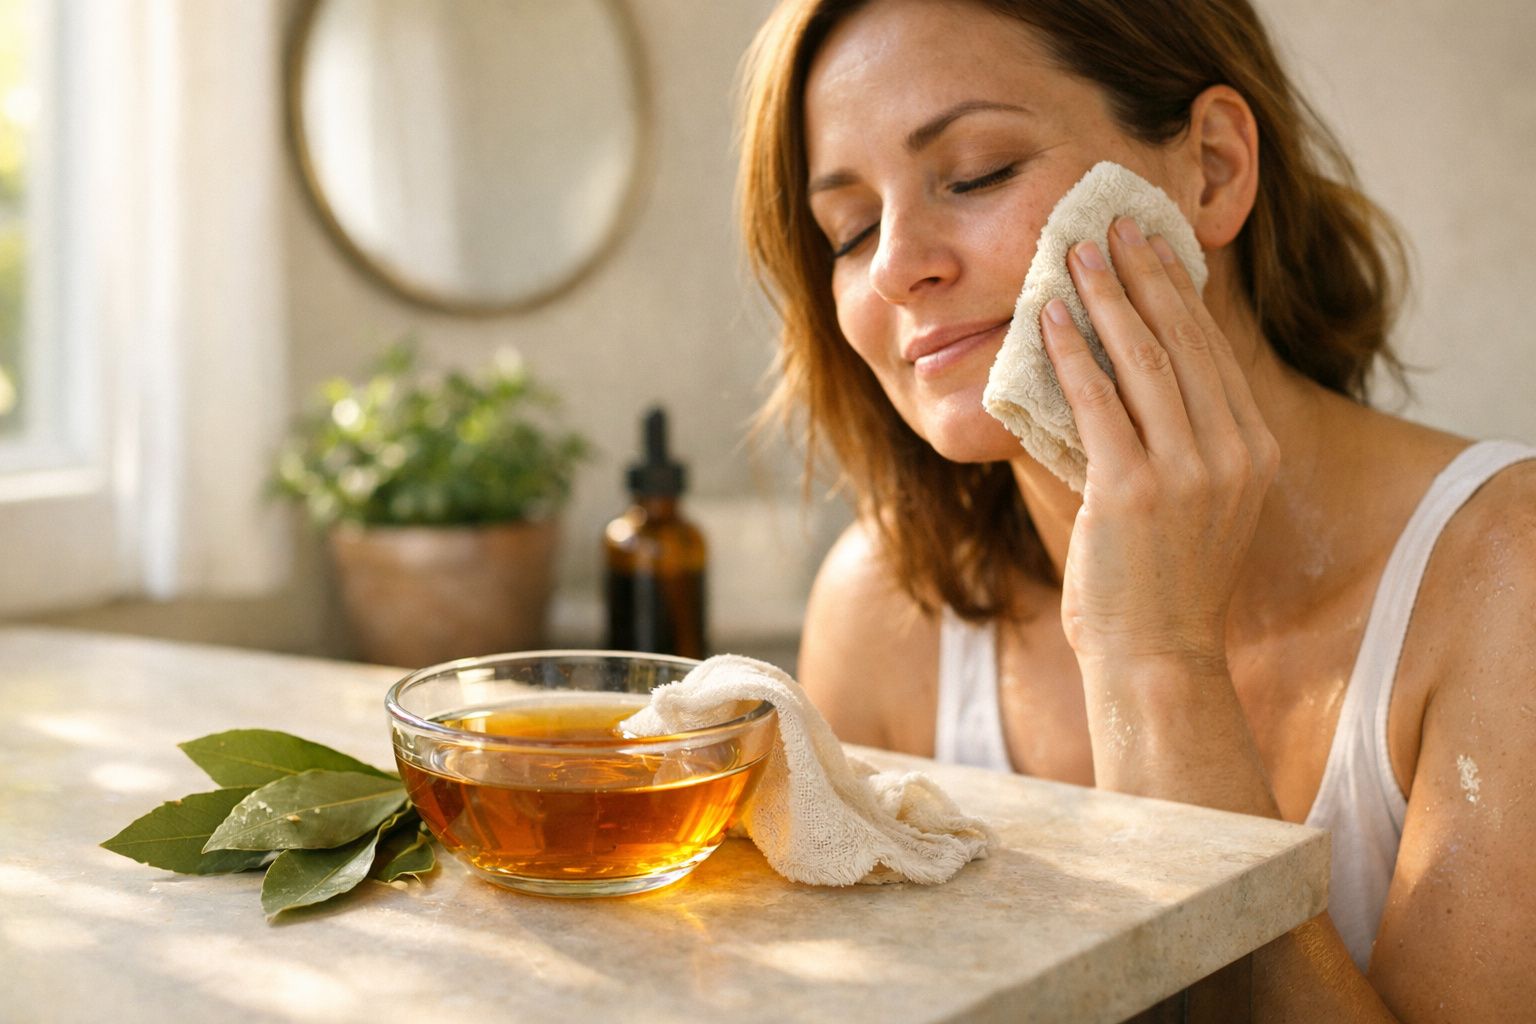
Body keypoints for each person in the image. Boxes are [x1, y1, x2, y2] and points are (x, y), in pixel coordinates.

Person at [736, 0, 1536, 1019]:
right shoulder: (884, 612)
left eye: (977, 171)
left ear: (1211, 168)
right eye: (848, 229)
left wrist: (1154, 658)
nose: (895, 264)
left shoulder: (1511, 576)